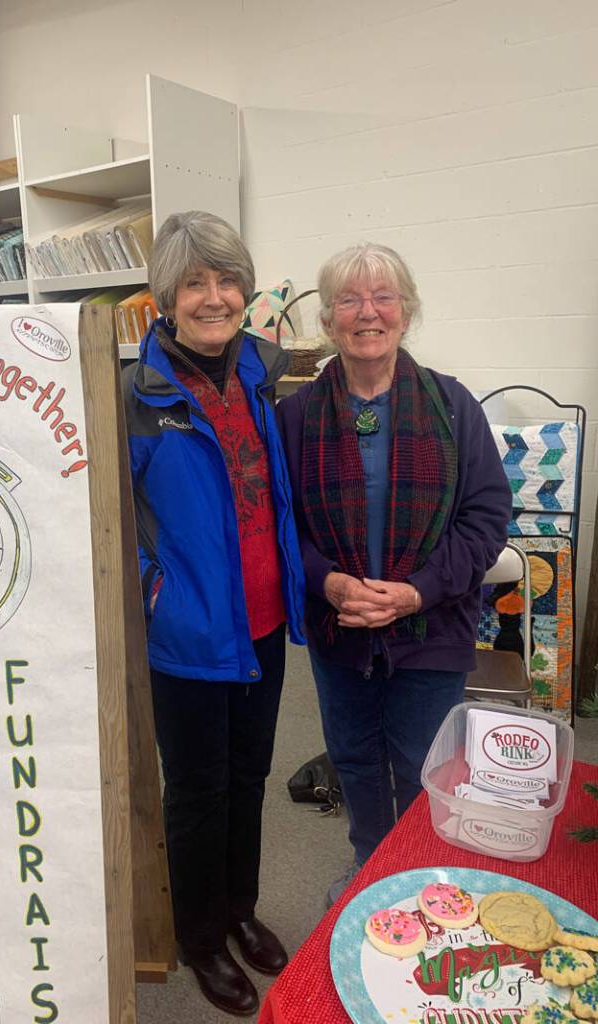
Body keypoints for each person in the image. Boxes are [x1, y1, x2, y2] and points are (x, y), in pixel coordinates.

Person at [277, 243, 511, 900]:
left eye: (383, 298)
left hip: (431, 631)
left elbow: (488, 515)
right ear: (329, 321)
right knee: (353, 761)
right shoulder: (294, 417)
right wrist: (325, 581)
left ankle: (417, 877)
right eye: (349, 299)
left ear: (405, 313)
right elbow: (277, 522)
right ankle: (370, 871)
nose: (368, 312)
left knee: (423, 767)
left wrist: (417, 592)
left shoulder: (453, 406)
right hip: (339, 628)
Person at [122, 210, 305, 1016]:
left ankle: (239, 908)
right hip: (189, 634)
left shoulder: (263, 368)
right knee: (196, 791)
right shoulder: (137, 395)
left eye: (226, 279)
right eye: (194, 281)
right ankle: (200, 937)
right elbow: (107, 516)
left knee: (250, 777)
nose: (213, 295)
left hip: (263, 620)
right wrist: (150, 589)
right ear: (165, 296)